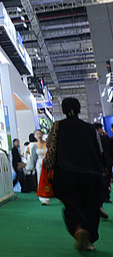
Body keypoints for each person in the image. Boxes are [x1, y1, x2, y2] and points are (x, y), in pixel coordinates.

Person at [50, 97, 105, 251]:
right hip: (91, 173)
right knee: (91, 206)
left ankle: (78, 229)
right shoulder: (90, 128)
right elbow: (99, 150)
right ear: (80, 109)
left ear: (63, 110)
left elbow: (51, 148)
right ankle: (89, 238)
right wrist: (103, 167)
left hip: (65, 172)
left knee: (71, 204)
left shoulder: (57, 126)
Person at [26, 129, 50, 206]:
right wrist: (32, 167)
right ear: (35, 136)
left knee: (48, 179)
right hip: (39, 163)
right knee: (40, 180)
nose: (39, 135)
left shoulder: (47, 144)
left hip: (47, 163)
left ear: (42, 134)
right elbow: (33, 157)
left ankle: (49, 194)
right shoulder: (34, 146)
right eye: (37, 134)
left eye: (40, 133)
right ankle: (43, 198)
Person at [94, 123, 113, 212]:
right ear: (99, 129)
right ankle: (105, 197)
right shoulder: (105, 138)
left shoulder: (92, 138)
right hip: (106, 161)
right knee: (106, 180)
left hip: (97, 163)